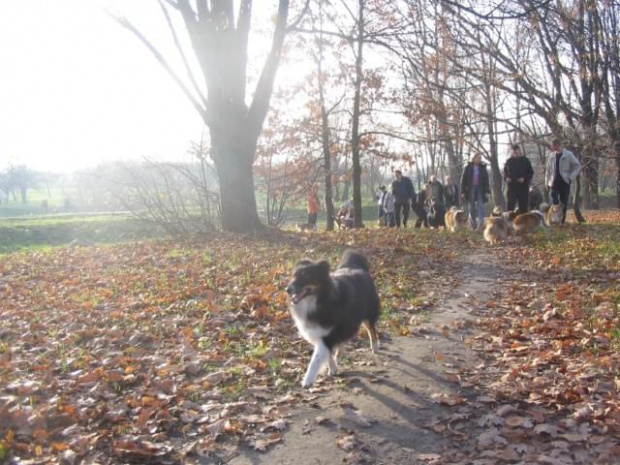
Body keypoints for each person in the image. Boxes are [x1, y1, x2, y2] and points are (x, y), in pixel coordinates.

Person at [545, 139, 581, 224]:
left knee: (564, 202)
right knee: (554, 197)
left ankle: (562, 221)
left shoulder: (568, 155)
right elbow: (548, 170)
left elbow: (577, 166)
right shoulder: (551, 156)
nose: (553, 148)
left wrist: (571, 176)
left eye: (554, 146)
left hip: (565, 181)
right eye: (552, 146)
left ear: (558, 145)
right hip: (554, 182)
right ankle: (554, 220)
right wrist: (546, 182)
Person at [460, 153, 491, 230]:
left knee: (481, 206)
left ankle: (481, 224)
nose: (479, 160)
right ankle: (473, 225)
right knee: (471, 208)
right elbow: (463, 180)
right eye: (478, 158)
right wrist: (463, 192)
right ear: (473, 158)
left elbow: (486, 181)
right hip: (470, 189)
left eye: (480, 158)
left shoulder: (483, 168)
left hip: (480, 189)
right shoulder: (468, 167)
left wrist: (487, 191)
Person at [503, 144, 534, 213]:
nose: (515, 154)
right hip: (512, 186)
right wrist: (506, 178)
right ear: (511, 153)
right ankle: (509, 221)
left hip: (523, 186)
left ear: (520, 151)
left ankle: (524, 221)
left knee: (523, 206)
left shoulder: (525, 161)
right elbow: (504, 173)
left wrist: (524, 179)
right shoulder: (509, 162)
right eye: (514, 153)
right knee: (510, 205)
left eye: (517, 153)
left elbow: (531, 172)